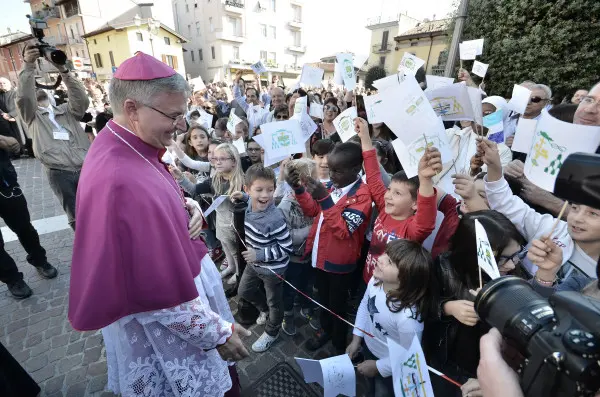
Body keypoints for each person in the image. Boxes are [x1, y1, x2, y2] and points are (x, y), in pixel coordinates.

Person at [68, 52, 250, 397]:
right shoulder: (119, 178)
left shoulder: (125, 143)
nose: (182, 126)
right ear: (133, 109)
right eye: (174, 115)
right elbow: (160, 297)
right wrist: (216, 334)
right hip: (169, 328)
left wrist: (187, 205)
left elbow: (156, 194)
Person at [424, 210, 527, 396]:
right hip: (447, 359)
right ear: (474, 254)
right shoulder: (444, 266)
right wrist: (448, 308)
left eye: (517, 256)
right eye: (503, 259)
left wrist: (495, 310)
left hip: (486, 371)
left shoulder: (514, 280)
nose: (512, 265)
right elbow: (422, 306)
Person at [287, 142, 373, 353]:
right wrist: (299, 189)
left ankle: (338, 343)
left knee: (337, 307)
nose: (331, 175)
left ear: (355, 170)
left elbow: (343, 230)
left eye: (337, 171)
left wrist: (324, 198)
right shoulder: (334, 187)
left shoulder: (362, 196)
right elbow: (313, 210)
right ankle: (326, 331)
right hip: (321, 256)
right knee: (323, 300)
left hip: (339, 264)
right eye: (330, 169)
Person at [479, 138, 599, 283]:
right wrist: (494, 168)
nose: (577, 218)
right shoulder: (553, 229)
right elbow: (506, 204)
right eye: (575, 208)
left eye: (593, 214)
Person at [347, 240, 435, 397]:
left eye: (390, 261)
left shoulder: (408, 318)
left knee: (383, 392)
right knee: (370, 387)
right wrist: (356, 339)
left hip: (389, 363)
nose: (380, 258)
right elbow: (364, 307)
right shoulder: (375, 281)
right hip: (369, 348)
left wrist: (378, 367)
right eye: (385, 254)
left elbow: (409, 356)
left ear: (406, 277)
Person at [15, 45, 91, 230]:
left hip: (85, 169)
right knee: (76, 218)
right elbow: (24, 97)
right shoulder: (31, 115)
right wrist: (28, 65)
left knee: (99, 210)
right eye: (35, 90)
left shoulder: (67, 110)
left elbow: (81, 100)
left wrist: (63, 69)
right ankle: (88, 252)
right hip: (59, 172)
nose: (38, 91)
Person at [356, 117, 439, 284]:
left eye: (398, 194)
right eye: (389, 190)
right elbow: (373, 176)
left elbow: (426, 219)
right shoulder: (384, 208)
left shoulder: (413, 230)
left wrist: (425, 180)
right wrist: (365, 138)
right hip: (368, 281)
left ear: (416, 203)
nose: (388, 196)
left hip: (392, 290)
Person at [232, 164, 293, 352]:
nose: (265, 195)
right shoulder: (250, 202)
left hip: (273, 269)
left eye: (270, 190)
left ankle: (272, 332)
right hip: (254, 264)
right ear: (247, 189)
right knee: (244, 291)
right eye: (259, 190)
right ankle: (264, 310)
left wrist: (258, 254)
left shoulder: (274, 218)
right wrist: (243, 197)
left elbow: (286, 247)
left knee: (275, 302)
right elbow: (251, 198)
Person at [173, 143, 245, 285]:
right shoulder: (215, 180)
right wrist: (181, 177)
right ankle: (230, 266)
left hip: (236, 226)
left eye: (222, 159)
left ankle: (239, 273)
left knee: (236, 251)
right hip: (221, 222)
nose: (217, 162)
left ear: (234, 161)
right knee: (225, 245)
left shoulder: (242, 181)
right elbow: (194, 189)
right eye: (215, 158)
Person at [0, 131, 57, 299]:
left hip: (7, 188)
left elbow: (15, 145)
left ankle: (39, 260)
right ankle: (12, 279)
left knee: (25, 228)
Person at [278, 159, 318, 335]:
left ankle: (305, 305)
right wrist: (313, 228)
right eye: (314, 180)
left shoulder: (315, 198)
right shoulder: (285, 206)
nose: (318, 184)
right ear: (303, 182)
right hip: (292, 259)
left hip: (309, 256)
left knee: (306, 285)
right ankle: (287, 314)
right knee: (289, 288)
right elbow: (284, 236)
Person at [232, 71, 267, 137]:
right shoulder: (247, 108)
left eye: (252, 96)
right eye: (248, 96)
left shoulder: (264, 110)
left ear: (257, 97)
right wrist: (237, 80)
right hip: (250, 139)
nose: (250, 98)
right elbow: (237, 95)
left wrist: (258, 79)